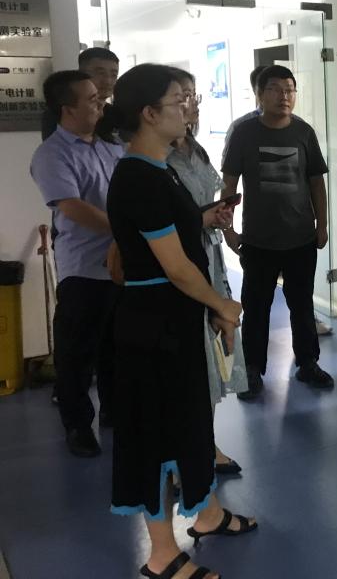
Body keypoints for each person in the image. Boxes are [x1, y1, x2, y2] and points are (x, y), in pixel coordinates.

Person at [104, 63, 256, 579]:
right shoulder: (138, 176)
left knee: (189, 421)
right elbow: (175, 266)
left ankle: (207, 514)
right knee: (155, 433)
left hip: (175, 319)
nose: (188, 108)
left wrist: (204, 219)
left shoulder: (160, 168)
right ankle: (161, 554)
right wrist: (222, 304)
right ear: (149, 113)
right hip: (153, 326)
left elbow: (180, 234)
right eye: (179, 100)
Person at [221, 65, 334, 398]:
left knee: (302, 305)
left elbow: (316, 183)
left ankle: (308, 363)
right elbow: (229, 184)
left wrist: (322, 224)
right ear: (259, 94)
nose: (284, 96)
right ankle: (252, 370)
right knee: (256, 308)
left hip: (300, 237)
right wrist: (228, 228)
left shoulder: (304, 132)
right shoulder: (244, 133)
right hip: (258, 240)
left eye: (289, 90)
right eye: (275, 89)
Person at [30, 70, 123, 457]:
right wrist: (127, 230)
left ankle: (115, 410)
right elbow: (72, 207)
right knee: (77, 355)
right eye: (91, 99)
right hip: (84, 268)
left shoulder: (110, 149)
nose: (100, 103)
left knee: (116, 348)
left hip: (121, 267)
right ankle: (78, 426)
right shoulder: (52, 154)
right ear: (67, 108)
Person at [166, 68, 249, 475]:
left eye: (193, 95)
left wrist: (218, 215)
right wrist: (202, 218)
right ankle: (183, 454)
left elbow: (201, 203)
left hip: (209, 256)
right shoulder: (153, 161)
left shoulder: (194, 150)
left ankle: (205, 443)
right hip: (177, 262)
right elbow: (163, 222)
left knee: (213, 357)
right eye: (181, 96)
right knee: (187, 363)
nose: (191, 103)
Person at [41, 47, 120, 141]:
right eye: (100, 73)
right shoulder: (62, 113)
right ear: (81, 75)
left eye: (113, 75)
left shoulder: (115, 114)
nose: (108, 81)